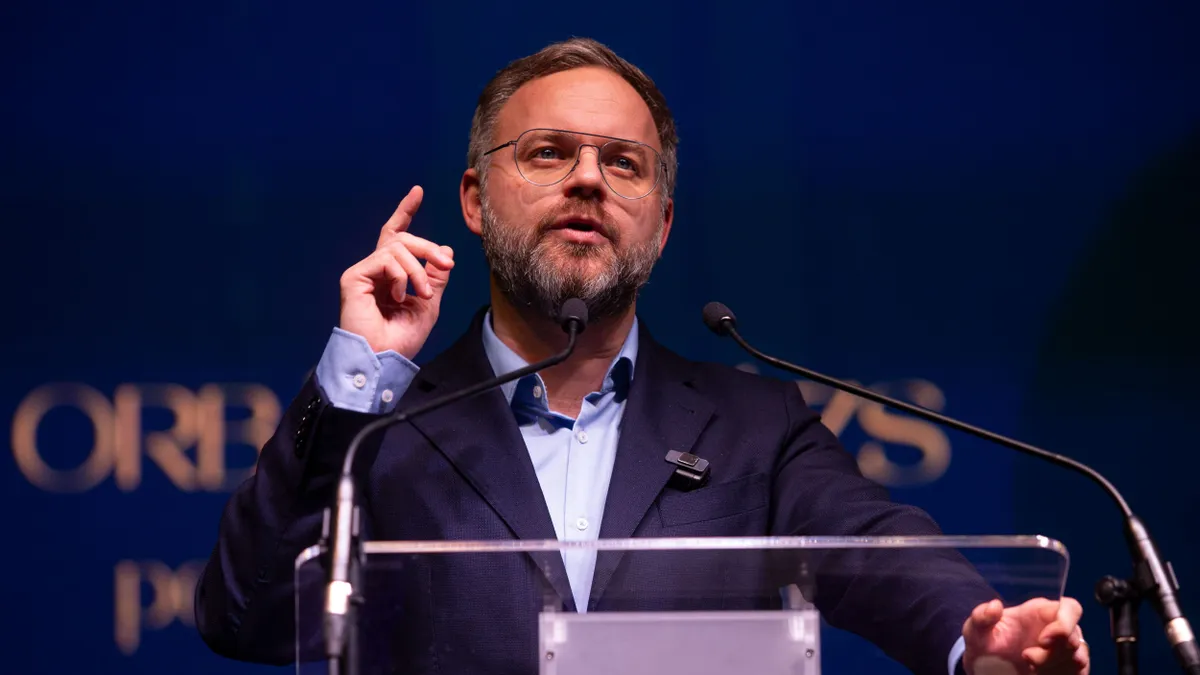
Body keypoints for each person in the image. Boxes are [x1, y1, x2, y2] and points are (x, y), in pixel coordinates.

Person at [194, 38, 1091, 675]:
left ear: (659, 227)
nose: (588, 178)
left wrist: (977, 639)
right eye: (548, 153)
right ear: (474, 201)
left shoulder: (755, 427)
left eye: (624, 163)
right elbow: (245, 615)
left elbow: (874, 546)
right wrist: (364, 369)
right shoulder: (381, 426)